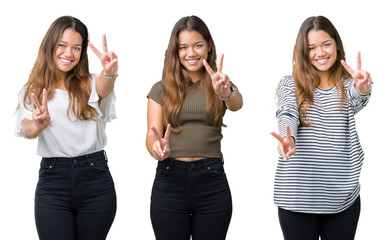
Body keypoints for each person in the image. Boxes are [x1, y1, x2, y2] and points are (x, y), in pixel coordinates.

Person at [15, 16, 118, 240]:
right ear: (50, 45)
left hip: (95, 180)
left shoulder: (90, 83)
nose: (68, 53)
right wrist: (38, 124)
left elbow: (103, 87)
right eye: (62, 45)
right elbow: (27, 129)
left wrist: (109, 72)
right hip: (54, 183)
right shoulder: (33, 89)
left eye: (76, 48)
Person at [271, 16, 372, 240]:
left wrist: (362, 88)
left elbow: (357, 99)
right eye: (311, 48)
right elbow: (287, 113)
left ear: (336, 44)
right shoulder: (291, 83)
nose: (320, 53)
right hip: (297, 198)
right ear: (303, 52)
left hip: (343, 198)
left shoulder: (348, 85)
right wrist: (289, 140)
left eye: (326, 44)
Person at [146, 15, 243, 240]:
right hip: (170, 179)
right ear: (175, 51)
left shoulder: (220, 83)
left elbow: (237, 104)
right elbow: (151, 135)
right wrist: (156, 150)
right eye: (183, 47)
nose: (191, 53)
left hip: (212, 180)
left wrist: (226, 92)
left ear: (208, 47)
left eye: (198, 45)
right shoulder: (161, 89)